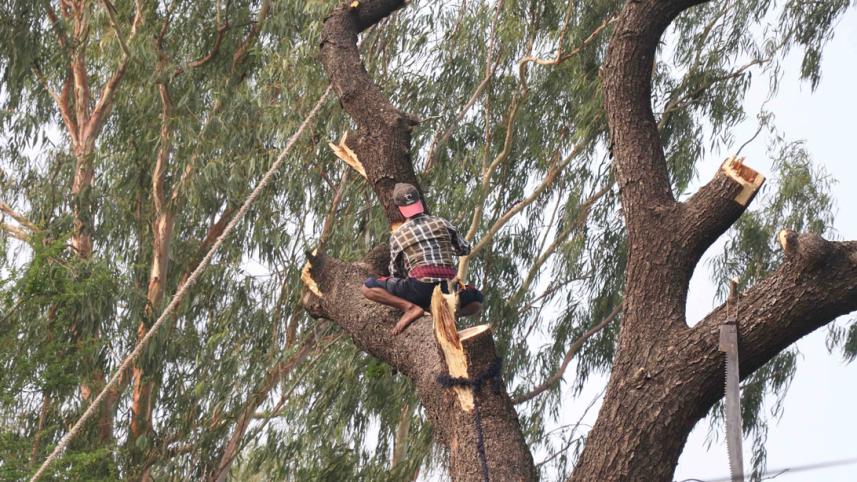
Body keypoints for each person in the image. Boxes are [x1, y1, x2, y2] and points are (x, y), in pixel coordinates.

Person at [361, 183, 484, 335]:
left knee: (368, 287)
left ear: (399, 208)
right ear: (419, 201)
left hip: (419, 289)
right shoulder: (442, 223)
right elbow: (464, 249)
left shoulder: (398, 236)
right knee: (477, 300)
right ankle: (449, 312)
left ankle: (410, 308)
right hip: (448, 289)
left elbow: (396, 272)